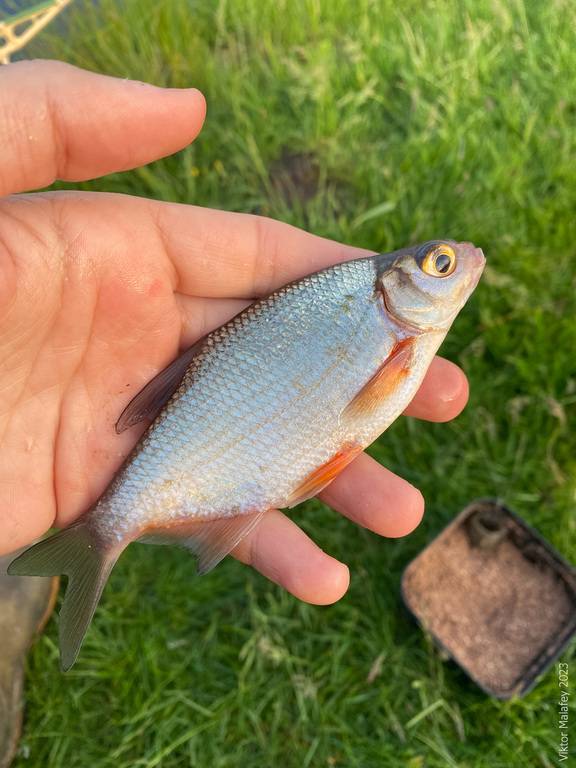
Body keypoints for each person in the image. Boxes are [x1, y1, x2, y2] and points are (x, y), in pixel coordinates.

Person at [0, 60, 469, 606]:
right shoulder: (370, 306)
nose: (460, 263)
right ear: (395, 284)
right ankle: (107, 531)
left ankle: (110, 532)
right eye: (441, 263)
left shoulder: (374, 313)